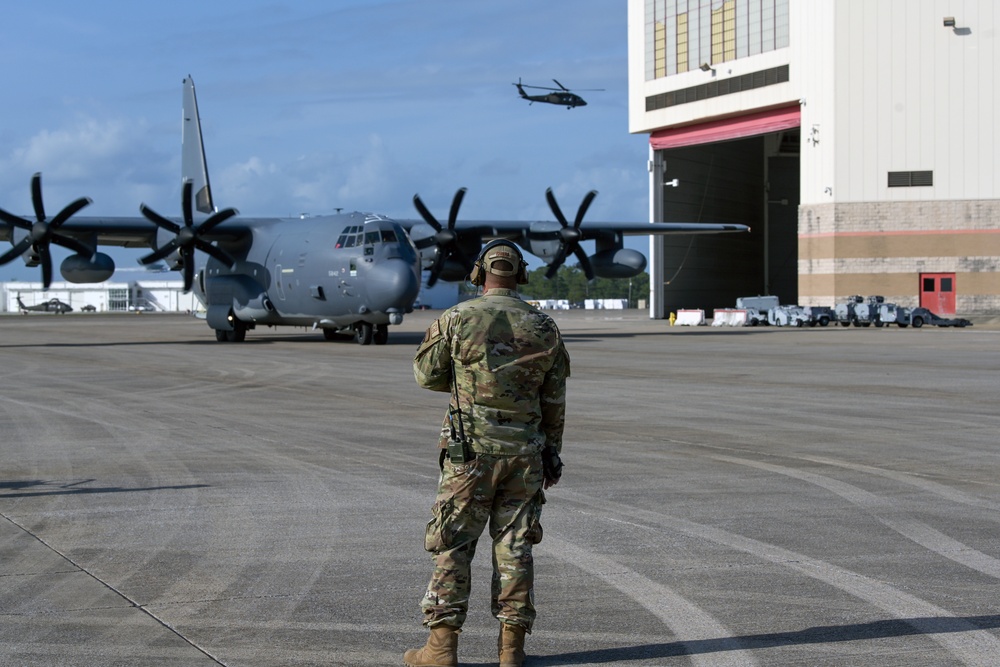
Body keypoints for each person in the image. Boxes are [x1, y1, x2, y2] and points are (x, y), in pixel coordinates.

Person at [404, 240, 570, 667]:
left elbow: (426, 375)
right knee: (516, 548)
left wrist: (470, 378)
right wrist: (552, 453)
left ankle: (441, 650)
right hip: (525, 456)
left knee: (454, 544)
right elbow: (554, 400)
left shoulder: (457, 319)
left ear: (479, 274)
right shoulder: (544, 325)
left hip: (470, 455)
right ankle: (511, 652)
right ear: (520, 275)